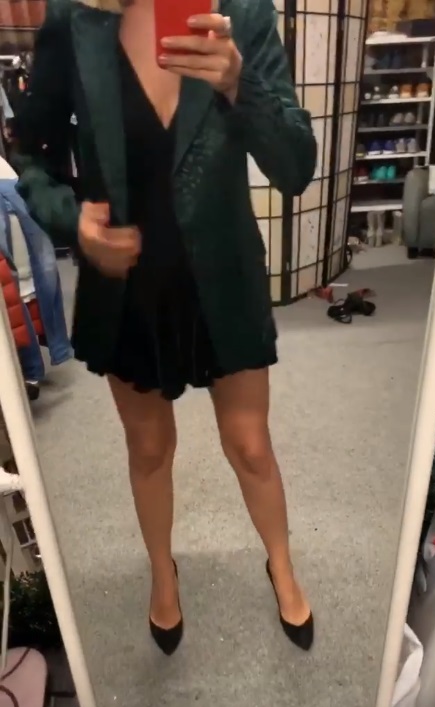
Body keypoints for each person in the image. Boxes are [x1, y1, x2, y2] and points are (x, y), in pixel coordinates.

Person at [14, 0, 317, 655]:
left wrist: (239, 84)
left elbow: (297, 166)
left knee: (251, 445)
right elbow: (30, 151)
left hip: (224, 279)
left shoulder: (243, 14)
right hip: (126, 283)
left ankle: (281, 563)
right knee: (149, 450)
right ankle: (162, 570)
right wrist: (72, 220)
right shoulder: (74, 21)